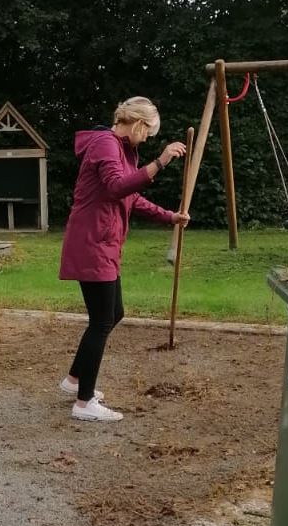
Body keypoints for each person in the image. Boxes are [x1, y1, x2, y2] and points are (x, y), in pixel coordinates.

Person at [58, 96, 190, 422]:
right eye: (148, 133)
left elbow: (131, 198)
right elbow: (117, 187)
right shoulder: (105, 144)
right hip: (92, 243)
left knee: (113, 313)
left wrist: (170, 217)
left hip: (103, 244)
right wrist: (160, 162)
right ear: (139, 124)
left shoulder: (122, 150)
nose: (146, 140)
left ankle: (74, 380)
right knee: (102, 321)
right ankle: (84, 403)